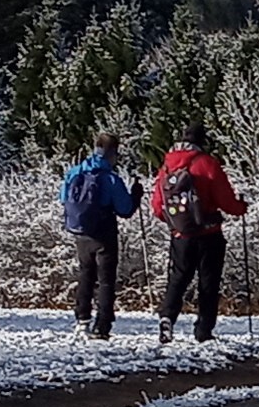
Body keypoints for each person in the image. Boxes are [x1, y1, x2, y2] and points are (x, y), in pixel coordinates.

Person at [150, 129, 248, 346]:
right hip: (209, 233)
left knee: (178, 278)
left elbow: (157, 205)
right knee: (208, 281)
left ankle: (167, 317)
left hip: (181, 235)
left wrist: (176, 223)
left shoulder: (167, 166)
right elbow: (226, 201)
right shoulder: (207, 164)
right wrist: (241, 208)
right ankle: (204, 329)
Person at [61, 133, 143, 339]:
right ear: (112, 153)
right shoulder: (110, 179)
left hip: (81, 233)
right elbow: (125, 209)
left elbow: (63, 199)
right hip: (104, 234)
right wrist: (136, 195)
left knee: (85, 275)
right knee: (106, 280)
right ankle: (102, 325)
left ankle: (82, 319)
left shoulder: (74, 172)